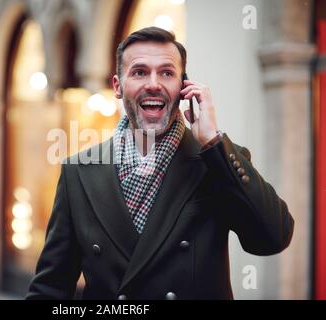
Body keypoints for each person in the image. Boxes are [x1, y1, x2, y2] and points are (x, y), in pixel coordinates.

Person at [26, 27, 294, 300]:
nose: (153, 83)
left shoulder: (216, 161)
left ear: (183, 87)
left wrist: (212, 141)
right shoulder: (78, 173)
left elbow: (273, 238)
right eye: (139, 72)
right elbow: (50, 288)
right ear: (118, 87)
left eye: (167, 73)